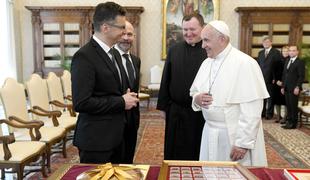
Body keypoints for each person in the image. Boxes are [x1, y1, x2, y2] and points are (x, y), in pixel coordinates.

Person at [190, 20, 269, 166]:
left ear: (222, 39)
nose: (203, 45)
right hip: (209, 130)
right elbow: (194, 91)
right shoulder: (206, 63)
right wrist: (197, 98)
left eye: (206, 40)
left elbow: (252, 108)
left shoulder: (245, 63)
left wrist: (243, 143)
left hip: (233, 135)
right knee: (210, 172)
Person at [71, 2, 139, 164]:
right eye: (121, 27)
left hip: (117, 136)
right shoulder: (84, 57)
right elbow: (81, 102)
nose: (124, 32)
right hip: (96, 140)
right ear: (105, 27)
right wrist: (121, 101)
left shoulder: (114, 54)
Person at [157, 12, 207, 160]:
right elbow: (166, 79)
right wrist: (162, 107)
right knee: (175, 150)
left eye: (192, 29)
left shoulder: (208, 51)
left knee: (197, 150)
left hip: (200, 113)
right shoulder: (174, 50)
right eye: (185, 30)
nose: (188, 33)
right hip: (176, 112)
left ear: (202, 28)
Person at [115, 21, 141, 163]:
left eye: (129, 34)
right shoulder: (109, 58)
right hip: (114, 120)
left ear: (134, 36)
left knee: (128, 160)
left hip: (132, 120)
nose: (126, 37)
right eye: (122, 33)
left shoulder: (136, 60)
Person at [257, 36, 282, 119]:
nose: (266, 43)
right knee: (262, 97)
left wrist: (276, 78)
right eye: (264, 42)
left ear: (271, 43)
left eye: (267, 42)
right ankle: (262, 113)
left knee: (270, 97)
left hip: (271, 79)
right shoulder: (260, 53)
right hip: (261, 79)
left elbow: (279, 67)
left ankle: (269, 114)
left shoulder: (276, 52)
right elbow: (258, 66)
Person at [281, 45, 305, 129]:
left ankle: (293, 124)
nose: (291, 52)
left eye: (293, 50)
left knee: (293, 106)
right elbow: (284, 75)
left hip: (294, 88)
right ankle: (289, 122)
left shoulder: (300, 62)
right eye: (290, 50)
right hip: (287, 88)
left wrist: (298, 87)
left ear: (297, 52)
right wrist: (283, 87)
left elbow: (301, 76)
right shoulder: (287, 60)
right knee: (288, 106)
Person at [274, 46, 289, 123]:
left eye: (287, 51)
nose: (285, 52)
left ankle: (285, 117)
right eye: (284, 51)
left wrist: (284, 82)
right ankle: (278, 116)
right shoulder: (277, 60)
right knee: (277, 101)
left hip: (286, 84)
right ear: (281, 52)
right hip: (278, 83)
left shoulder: (290, 60)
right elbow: (274, 72)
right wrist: (276, 81)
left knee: (286, 101)